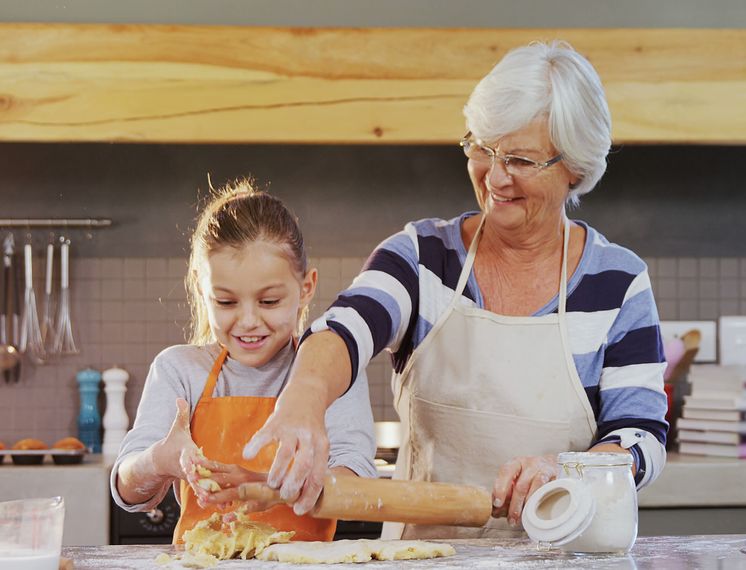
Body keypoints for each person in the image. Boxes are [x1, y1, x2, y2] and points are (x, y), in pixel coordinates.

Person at [245, 40, 669, 539]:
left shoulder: (618, 283)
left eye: (519, 159)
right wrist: (304, 397)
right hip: (425, 557)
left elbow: (641, 437)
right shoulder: (423, 257)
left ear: (574, 167)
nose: (495, 176)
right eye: (483, 149)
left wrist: (570, 471)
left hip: (563, 555)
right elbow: (345, 329)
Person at [110, 180, 376, 544]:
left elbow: (356, 487)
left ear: (306, 288)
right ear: (201, 291)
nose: (248, 321)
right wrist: (157, 460)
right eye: (226, 302)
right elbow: (128, 492)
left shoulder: (332, 371)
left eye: (268, 302)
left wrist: (266, 489)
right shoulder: (180, 370)